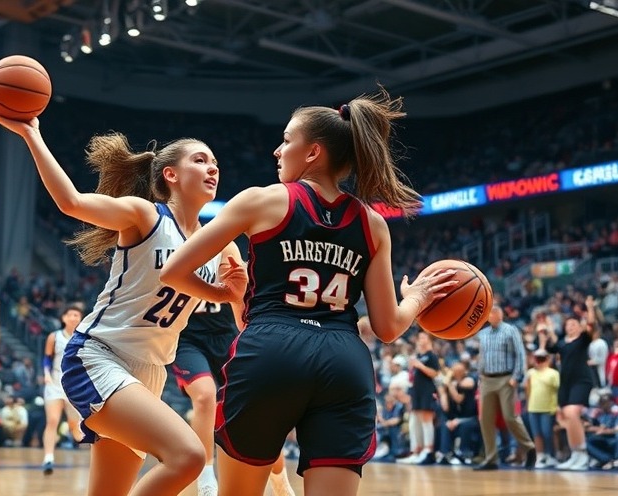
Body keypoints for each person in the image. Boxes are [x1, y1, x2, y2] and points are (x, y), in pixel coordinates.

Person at [160, 88, 456, 496]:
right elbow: (387, 327)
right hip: (344, 359)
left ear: (313, 152)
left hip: (271, 348)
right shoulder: (373, 224)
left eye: (286, 140)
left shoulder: (261, 200)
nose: (278, 151)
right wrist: (419, 297)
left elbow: (174, 271)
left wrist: (228, 294)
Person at [0, 103, 245, 496]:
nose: (213, 168)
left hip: (150, 371)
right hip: (100, 356)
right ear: (170, 175)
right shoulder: (145, 216)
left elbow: (242, 320)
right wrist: (31, 134)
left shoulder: (221, 246)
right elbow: (71, 202)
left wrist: (238, 296)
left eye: (215, 163)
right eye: (200, 159)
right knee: (189, 456)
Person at [172, 300, 295, 496]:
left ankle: (279, 477)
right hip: (187, 340)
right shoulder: (173, 267)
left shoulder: (229, 267)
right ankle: (206, 481)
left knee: (256, 408)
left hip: (226, 335)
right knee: (204, 395)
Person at [474, 304, 536, 471]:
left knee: (510, 417)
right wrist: (480, 375)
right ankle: (491, 459)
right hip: (487, 379)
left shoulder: (510, 330)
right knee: (485, 420)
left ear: (501, 315)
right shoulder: (483, 334)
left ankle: (529, 448)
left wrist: (516, 377)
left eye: (496, 312)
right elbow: (481, 356)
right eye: (491, 313)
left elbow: (520, 354)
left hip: (506, 378)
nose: (493, 315)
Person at [540, 296, 597, 471]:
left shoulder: (582, 341)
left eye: (573, 324)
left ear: (579, 327)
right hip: (565, 384)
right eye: (567, 325)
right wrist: (547, 330)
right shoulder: (563, 345)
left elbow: (591, 325)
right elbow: (549, 348)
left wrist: (589, 308)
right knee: (565, 415)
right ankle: (575, 455)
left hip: (582, 380)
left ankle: (583, 454)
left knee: (572, 413)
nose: (570, 326)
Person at [41, 304, 85, 475]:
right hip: (54, 383)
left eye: (76, 315)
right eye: (70, 314)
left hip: (74, 385)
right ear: (63, 318)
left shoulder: (83, 337)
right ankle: (48, 458)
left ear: (81, 319)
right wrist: (46, 374)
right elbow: (46, 358)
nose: (73, 317)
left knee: (75, 425)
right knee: (52, 420)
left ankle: (80, 443)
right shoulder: (54, 336)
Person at [399, 332, 439, 465]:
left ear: (429, 340)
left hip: (427, 391)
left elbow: (434, 373)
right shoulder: (417, 356)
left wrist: (419, 365)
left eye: (423, 337)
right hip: (416, 391)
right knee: (414, 422)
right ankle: (416, 451)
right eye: (419, 337)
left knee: (426, 421)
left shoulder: (431, 356)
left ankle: (428, 451)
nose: (420, 339)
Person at [435, 361, 479, 466]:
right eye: (454, 371)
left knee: (464, 425)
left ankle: (465, 454)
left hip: (471, 418)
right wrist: (443, 393)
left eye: (459, 370)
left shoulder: (468, 380)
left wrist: (450, 384)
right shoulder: (451, 384)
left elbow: (459, 399)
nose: (456, 373)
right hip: (456, 418)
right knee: (445, 424)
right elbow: (445, 407)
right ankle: (446, 454)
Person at [525, 348, 560, 468]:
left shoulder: (553, 373)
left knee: (547, 433)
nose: (538, 361)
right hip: (533, 407)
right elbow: (527, 389)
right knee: (537, 434)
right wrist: (528, 404)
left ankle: (551, 455)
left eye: (541, 358)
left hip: (548, 407)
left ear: (547, 359)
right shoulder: (531, 373)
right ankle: (540, 456)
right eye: (537, 358)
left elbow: (557, 389)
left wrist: (557, 406)